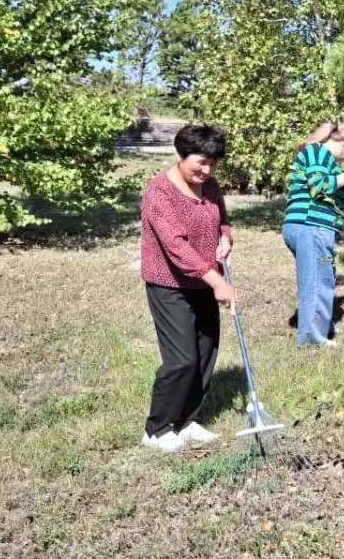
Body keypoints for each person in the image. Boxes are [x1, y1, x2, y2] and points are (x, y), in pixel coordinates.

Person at [139, 124, 237, 452]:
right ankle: (157, 429)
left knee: (206, 353)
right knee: (182, 359)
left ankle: (186, 421)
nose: (207, 170)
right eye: (201, 162)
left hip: (204, 281)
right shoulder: (159, 193)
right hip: (170, 284)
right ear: (181, 155)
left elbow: (221, 219)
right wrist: (218, 282)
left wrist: (226, 237)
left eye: (213, 163)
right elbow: (176, 248)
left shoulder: (209, 185)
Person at [283, 122, 344, 346]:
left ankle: (320, 329)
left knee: (324, 277)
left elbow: (328, 206)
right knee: (317, 280)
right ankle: (311, 338)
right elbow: (318, 188)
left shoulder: (325, 160)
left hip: (317, 228)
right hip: (310, 228)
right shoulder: (317, 152)